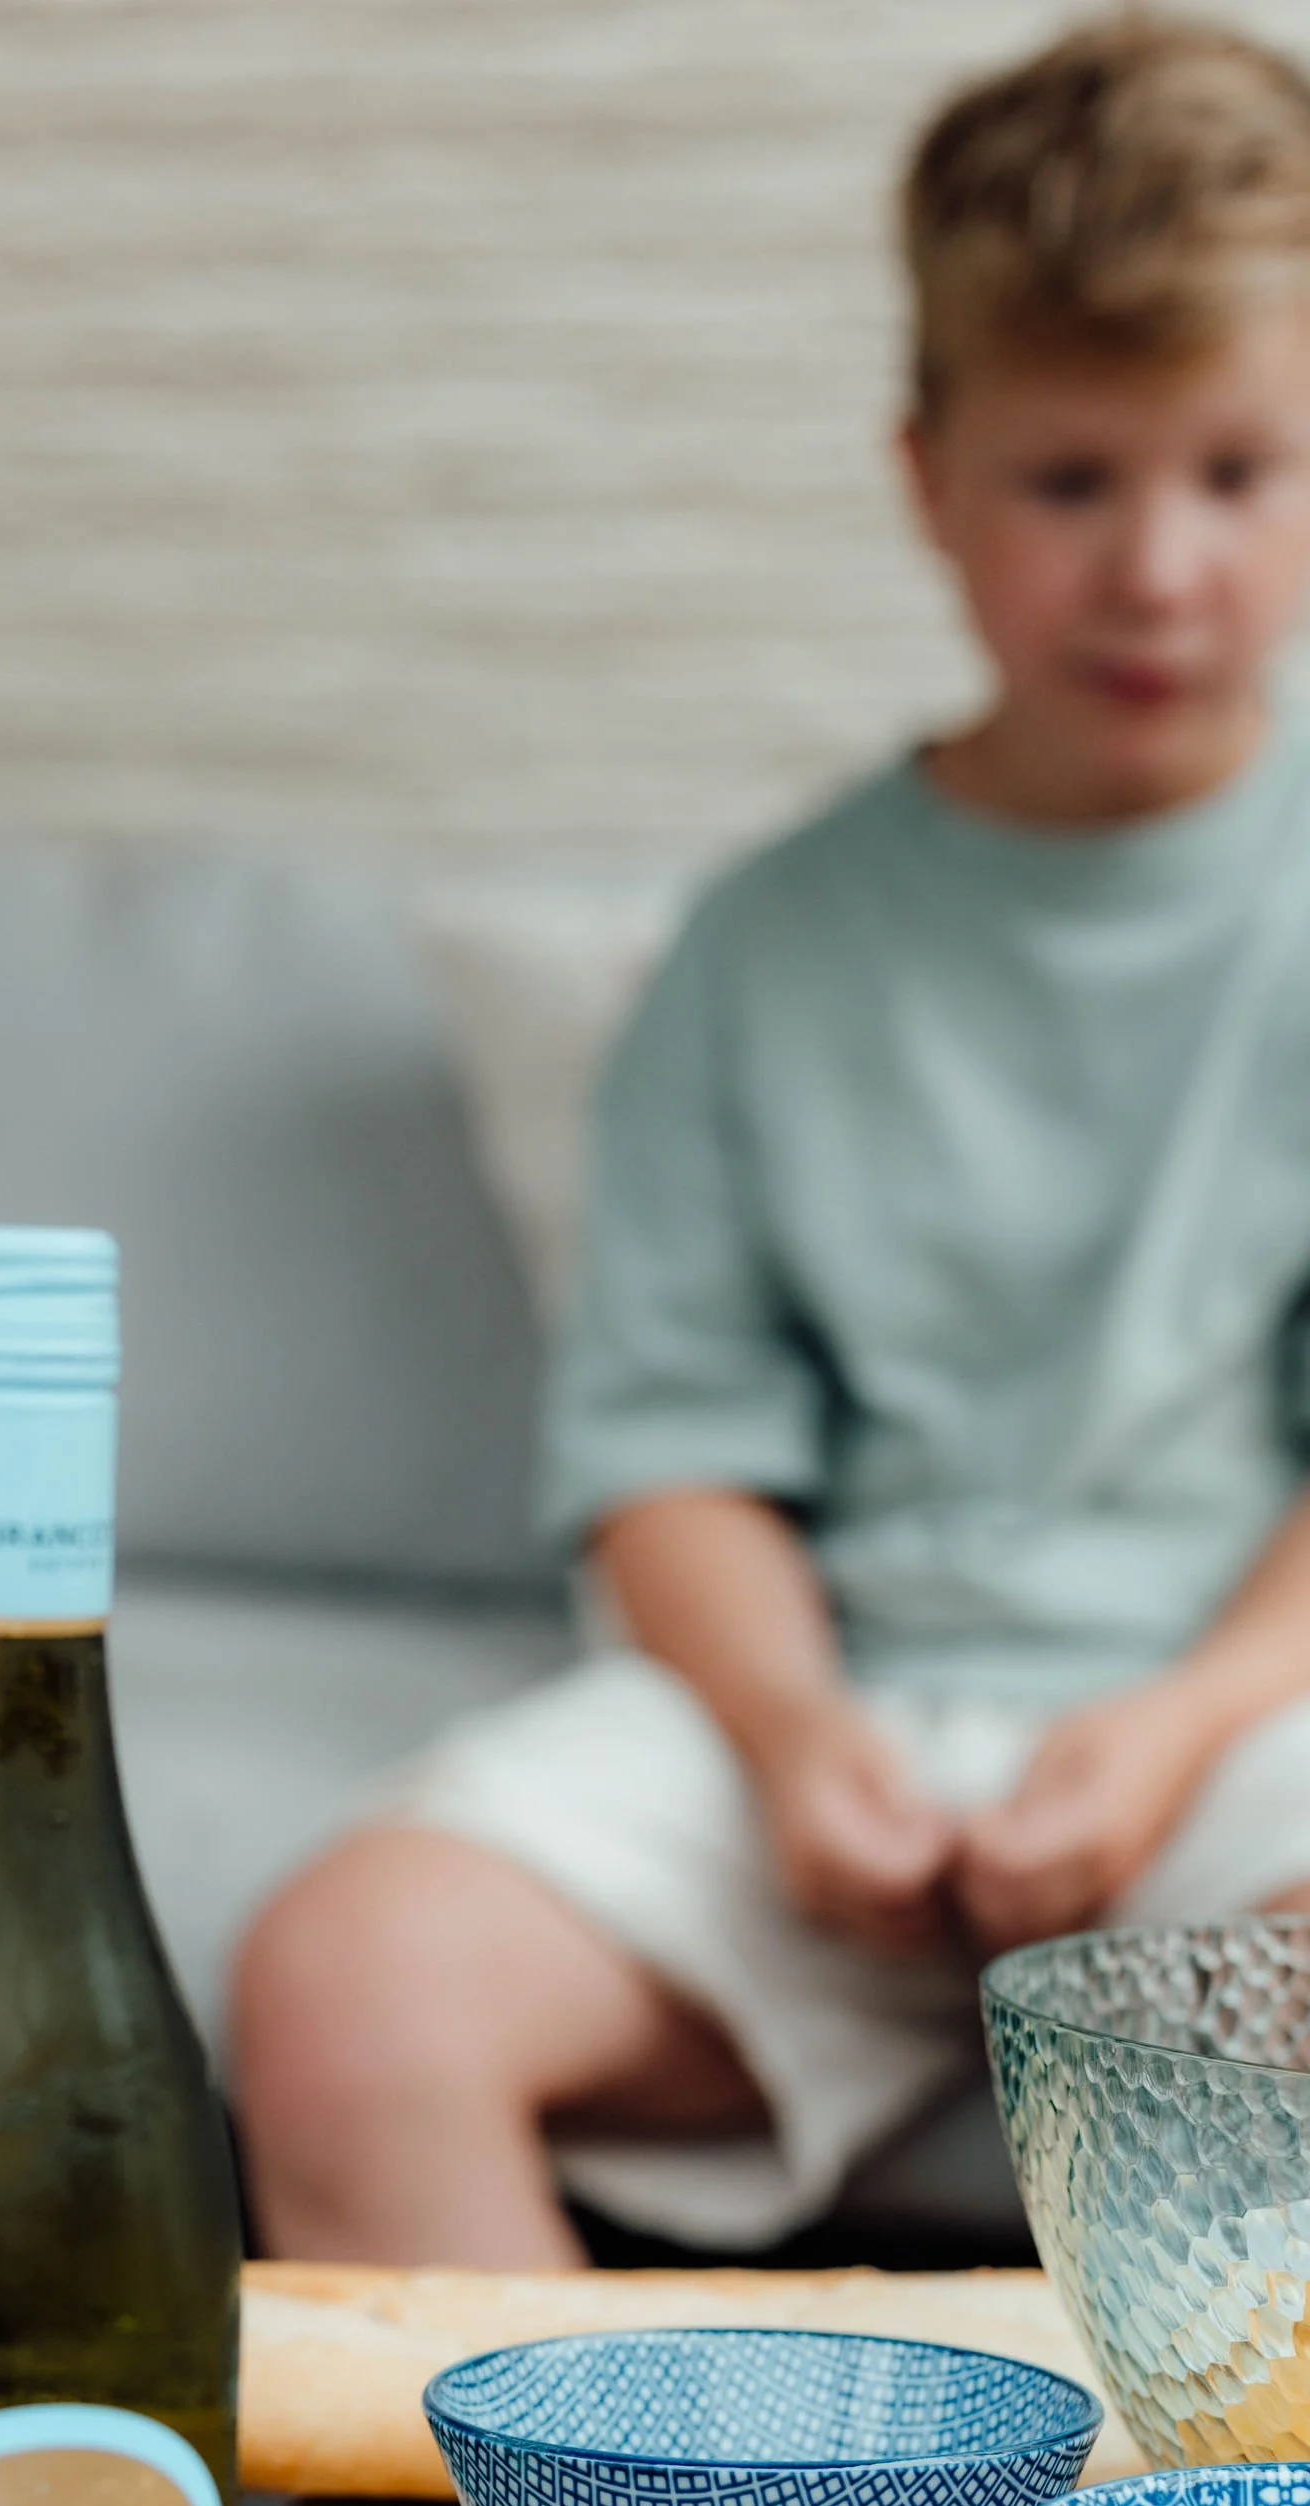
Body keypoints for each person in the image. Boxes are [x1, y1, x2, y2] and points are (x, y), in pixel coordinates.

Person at [232, 15, 1310, 2269]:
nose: (1158, 569)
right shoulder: (763, 948)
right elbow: (675, 1448)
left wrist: (1179, 1723)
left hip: (1247, 1719)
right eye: (1070, 481)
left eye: (1238, 471)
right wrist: (801, 1736)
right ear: (929, 480)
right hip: (828, 1740)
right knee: (342, 1994)